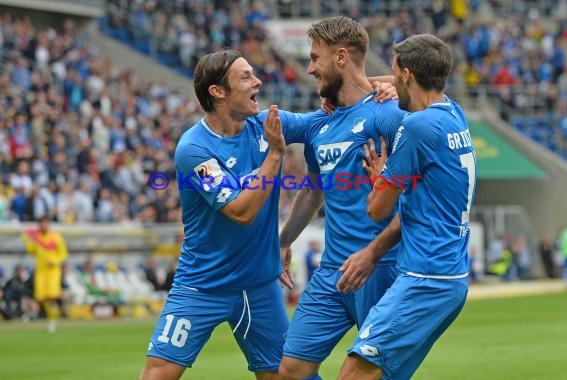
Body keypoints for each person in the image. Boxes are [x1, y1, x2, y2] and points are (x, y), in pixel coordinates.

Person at [140, 50, 327, 380]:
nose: (257, 81)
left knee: (289, 375)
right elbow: (241, 211)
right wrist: (275, 155)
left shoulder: (263, 123)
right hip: (203, 285)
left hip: (259, 285)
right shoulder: (195, 149)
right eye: (245, 77)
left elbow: (325, 119)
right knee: (158, 374)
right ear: (218, 91)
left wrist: (380, 85)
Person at [336, 34, 477, 379]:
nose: (390, 79)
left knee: (354, 372)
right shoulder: (453, 114)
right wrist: (364, 87)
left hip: (424, 277)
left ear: (408, 75)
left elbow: (377, 209)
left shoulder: (417, 126)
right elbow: (418, 207)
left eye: (394, 72)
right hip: (450, 277)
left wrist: (380, 176)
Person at [278, 16, 405, 380]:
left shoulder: (389, 113)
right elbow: (314, 189)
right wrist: (285, 241)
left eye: (316, 58)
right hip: (332, 271)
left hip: (381, 268)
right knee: (289, 370)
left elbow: (422, 180)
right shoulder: (322, 124)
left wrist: (394, 85)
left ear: (342, 57)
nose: (310, 67)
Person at [21, 216, 69, 332]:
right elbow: (31, 250)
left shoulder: (55, 237)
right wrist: (26, 238)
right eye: (41, 224)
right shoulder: (37, 238)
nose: (43, 226)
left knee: (52, 296)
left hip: (53, 271)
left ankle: (52, 321)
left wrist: (55, 261)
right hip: (40, 272)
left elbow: (63, 253)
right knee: (41, 298)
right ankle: (48, 318)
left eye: (45, 223)